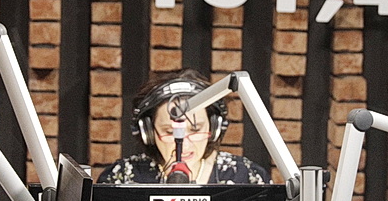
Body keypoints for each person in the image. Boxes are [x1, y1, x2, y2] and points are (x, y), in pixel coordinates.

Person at [97, 69, 269, 185]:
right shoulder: (121, 178)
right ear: (148, 132)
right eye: (170, 132)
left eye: (195, 130)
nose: (184, 144)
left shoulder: (247, 177)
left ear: (214, 128)